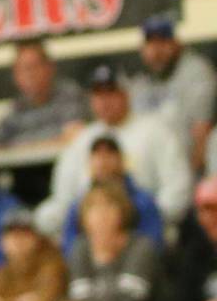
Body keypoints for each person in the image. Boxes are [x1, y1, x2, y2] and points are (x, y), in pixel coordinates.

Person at [38, 65, 193, 234]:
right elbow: (63, 198)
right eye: (98, 94)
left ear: (126, 94)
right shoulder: (82, 139)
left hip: (144, 226)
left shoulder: (156, 130)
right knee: (43, 217)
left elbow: (178, 191)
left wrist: (144, 217)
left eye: (111, 92)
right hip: (90, 231)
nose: (105, 101)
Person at [67, 181, 164, 301]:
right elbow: (78, 298)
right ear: (83, 217)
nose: (101, 214)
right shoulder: (80, 248)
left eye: (109, 205)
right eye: (93, 207)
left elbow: (131, 299)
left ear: (123, 212)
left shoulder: (140, 245)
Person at [130, 17, 217, 172]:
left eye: (163, 43)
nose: (156, 51)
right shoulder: (140, 81)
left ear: (177, 44)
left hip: (186, 168)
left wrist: (190, 178)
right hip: (149, 170)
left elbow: (202, 130)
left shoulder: (196, 72)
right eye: (150, 44)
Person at [60, 137, 166, 256]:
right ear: (89, 163)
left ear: (122, 160)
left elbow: (154, 245)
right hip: (91, 268)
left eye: (109, 155)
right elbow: (69, 249)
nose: (103, 162)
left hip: (135, 266)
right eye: (97, 156)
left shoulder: (143, 202)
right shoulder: (78, 206)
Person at [0, 39, 89, 150]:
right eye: (23, 69)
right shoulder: (19, 106)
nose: (29, 75)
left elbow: (73, 137)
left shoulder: (69, 94)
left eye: (33, 67)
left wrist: (14, 146)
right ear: (15, 76)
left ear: (50, 68)